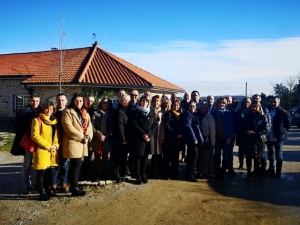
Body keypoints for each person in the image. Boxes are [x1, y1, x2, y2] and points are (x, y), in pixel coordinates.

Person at [61, 93, 93, 196]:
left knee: (77, 165)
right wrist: (82, 137)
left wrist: (88, 136)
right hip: (73, 142)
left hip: (82, 143)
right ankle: (73, 188)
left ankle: (74, 186)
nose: (78, 102)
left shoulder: (85, 113)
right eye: (76, 100)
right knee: (75, 165)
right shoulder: (68, 112)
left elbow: (89, 127)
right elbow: (68, 128)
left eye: (80, 100)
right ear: (73, 101)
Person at [10, 93, 41, 194]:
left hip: (40, 142)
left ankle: (38, 183)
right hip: (29, 142)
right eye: (33, 100)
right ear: (29, 101)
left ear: (39, 102)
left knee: (39, 164)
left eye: (37, 101)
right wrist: (25, 134)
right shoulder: (23, 111)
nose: (35, 103)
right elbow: (16, 126)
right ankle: (27, 185)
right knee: (27, 164)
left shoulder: (42, 110)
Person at [31, 101, 59, 201]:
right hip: (42, 150)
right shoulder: (37, 120)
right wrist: (48, 146)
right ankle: (41, 192)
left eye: (51, 109)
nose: (49, 111)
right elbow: (35, 136)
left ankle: (47, 190)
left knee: (48, 172)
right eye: (47, 108)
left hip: (51, 151)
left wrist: (56, 145)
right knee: (41, 173)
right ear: (43, 109)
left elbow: (56, 136)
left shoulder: (54, 122)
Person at [131, 96, 158, 184]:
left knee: (145, 157)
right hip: (139, 138)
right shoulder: (135, 112)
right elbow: (134, 125)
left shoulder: (151, 112)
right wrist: (144, 134)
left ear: (148, 103)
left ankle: (143, 175)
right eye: (142, 101)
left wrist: (148, 134)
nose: (144, 103)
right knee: (138, 157)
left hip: (147, 139)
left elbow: (155, 125)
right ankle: (138, 176)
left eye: (146, 102)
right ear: (140, 102)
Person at [244, 101, 270, 183]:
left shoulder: (263, 117)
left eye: (256, 107)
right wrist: (246, 132)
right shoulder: (247, 116)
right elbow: (243, 127)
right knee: (248, 157)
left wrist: (255, 133)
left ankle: (255, 174)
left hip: (259, 140)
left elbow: (266, 129)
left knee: (257, 158)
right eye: (253, 107)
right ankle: (248, 173)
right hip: (249, 140)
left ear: (259, 107)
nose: (254, 108)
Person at [90, 96, 114, 181]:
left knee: (105, 158)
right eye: (104, 103)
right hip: (97, 139)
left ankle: (104, 173)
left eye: (107, 103)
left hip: (106, 139)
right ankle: (96, 173)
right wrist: (99, 134)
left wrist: (106, 135)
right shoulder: (96, 113)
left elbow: (112, 126)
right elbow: (92, 126)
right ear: (101, 103)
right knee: (96, 158)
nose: (105, 104)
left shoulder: (111, 114)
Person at [266, 96, 291, 178]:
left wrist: (283, 131)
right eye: (271, 102)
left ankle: (278, 171)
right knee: (270, 154)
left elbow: (288, 124)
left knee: (278, 154)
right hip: (269, 136)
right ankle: (271, 168)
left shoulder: (283, 112)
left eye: (275, 102)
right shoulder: (267, 111)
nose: (273, 103)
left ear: (278, 102)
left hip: (278, 137)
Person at [180, 101, 203, 182]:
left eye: (193, 106)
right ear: (188, 107)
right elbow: (188, 126)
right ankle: (190, 175)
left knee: (190, 157)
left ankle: (188, 174)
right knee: (194, 157)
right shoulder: (188, 114)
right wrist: (194, 139)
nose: (192, 107)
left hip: (192, 139)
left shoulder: (193, 114)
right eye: (190, 106)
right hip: (191, 140)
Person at [212, 97, 233, 181]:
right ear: (217, 104)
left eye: (223, 103)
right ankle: (217, 171)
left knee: (225, 156)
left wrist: (229, 137)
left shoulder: (228, 113)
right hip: (217, 138)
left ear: (226, 104)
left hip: (225, 138)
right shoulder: (214, 113)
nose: (221, 104)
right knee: (217, 156)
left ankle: (223, 172)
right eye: (220, 102)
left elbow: (231, 126)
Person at [52, 93, 69, 192]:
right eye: (59, 100)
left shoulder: (68, 112)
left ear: (66, 101)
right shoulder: (52, 112)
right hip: (54, 141)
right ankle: (53, 184)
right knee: (53, 164)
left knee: (64, 164)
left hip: (65, 141)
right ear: (56, 100)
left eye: (62, 100)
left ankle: (64, 183)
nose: (61, 102)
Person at [163, 98, 183, 180]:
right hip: (169, 139)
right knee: (167, 158)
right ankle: (166, 174)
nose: (176, 106)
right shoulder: (168, 114)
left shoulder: (181, 114)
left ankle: (175, 174)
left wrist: (180, 134)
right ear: (172, 105)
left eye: (177, 105)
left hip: (177, 140)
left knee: (175, 159)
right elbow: (167, 125)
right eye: (174, 105)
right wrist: (176, 133)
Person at [112, 94, 131, 183]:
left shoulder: (126, 110)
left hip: (125, 139)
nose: (126, 102)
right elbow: (120, 127)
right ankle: (116, 175)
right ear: (121, 101)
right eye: (125, 100)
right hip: (119, 139)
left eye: (128, 100)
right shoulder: (119, 111)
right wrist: (123, 140)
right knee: (118, 158)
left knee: (123, 157)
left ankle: (122, 173)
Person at [197, 102, 216, 178]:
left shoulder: (210, 117)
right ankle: (201, 172)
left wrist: (213, 142)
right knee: (201, 157)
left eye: (205, 107)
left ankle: (208, 173)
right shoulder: (198, 116)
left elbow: (212, 130)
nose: (203, 109)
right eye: (201, 107)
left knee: (208, 158)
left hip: (207, 139)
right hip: (199, 139)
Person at [148, 95, 163, 179]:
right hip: (151, 135)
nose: (156, 102)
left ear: (160, 102)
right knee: (150, 153)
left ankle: (156, 172)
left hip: (159, 135)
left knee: (158, 155)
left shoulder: (162, 112)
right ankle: (149, 171)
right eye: (154, 101)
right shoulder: (149, 110)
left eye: (157, 101)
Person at [81, 94, 96, 180]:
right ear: (85, 101)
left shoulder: (94, 111)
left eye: (91, 101)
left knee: (88, 156)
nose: (90, 103)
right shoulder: (81, 110)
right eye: (88, 101)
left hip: (90, 137)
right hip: (81, 137)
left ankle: (87, 174)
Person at [235, 97, 251, 169]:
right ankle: (241, 164)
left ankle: (248, 166)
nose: (246, 103)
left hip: (249, 134)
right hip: (240, 134)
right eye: (244, 102)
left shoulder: (252, 111)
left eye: (247, 102)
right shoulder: (239, 112)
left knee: (249, 151)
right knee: (240, 150)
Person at [224, 95, 236, 175]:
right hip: (221, 134)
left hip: (231, 134)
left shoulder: (233, 111)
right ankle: (223, 167)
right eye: (226, 101)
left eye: (229, 101)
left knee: (229, 152)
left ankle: (230, 167)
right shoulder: (218, 109)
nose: (228, 102)